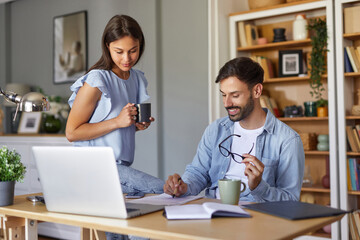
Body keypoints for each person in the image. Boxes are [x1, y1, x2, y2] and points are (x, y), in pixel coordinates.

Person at [164, 57, 305, 202]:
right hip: (213, 211)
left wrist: (259, 187)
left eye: (235, 95)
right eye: (223, 95)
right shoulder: (216, 130)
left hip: (256, 217)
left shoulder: (288, 140)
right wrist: (183, 186)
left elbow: (290, 200)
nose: (227, 103)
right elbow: (198, 172)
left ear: (257, 91)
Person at [66, 15, 164, 195]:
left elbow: (113, 130)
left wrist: (135, 126)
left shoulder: (136, 78)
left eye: (133, 51)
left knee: (158, 197)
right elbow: (72, 133)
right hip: (93, 167)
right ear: (107, 47)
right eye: (119, 52)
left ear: (140, 45)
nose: (126, 58)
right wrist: (118, 122)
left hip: (119, 168)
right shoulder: (97, 80)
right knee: (164, 191)